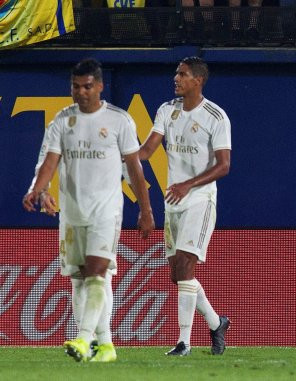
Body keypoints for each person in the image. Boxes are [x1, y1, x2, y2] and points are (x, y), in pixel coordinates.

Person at [23, 58, 155, 362]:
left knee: (97, 272)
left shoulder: (120, 120)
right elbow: (50, 162)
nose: (80, 92)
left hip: (106, 212)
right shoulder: (61, 121)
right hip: (72, 213)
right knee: (82, 279)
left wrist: (145, 210)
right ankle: (105, 345)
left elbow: (134, 170)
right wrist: (38, 190)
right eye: (75, 86)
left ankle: (83, 340)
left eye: (86, 86)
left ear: (99, 86)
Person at [139, 56, 231, 356]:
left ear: (198, 80)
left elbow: (224, 166)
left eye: (182, 74)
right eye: (176, 73)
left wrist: (188, 184)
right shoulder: (168, 109)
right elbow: (149, 149)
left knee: (186, 266)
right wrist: (124, 155)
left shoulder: (216, 117)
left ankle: (184, 342)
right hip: (173, 200)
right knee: (178, 274)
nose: (175, 78)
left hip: (199, 200)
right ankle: (217, 322)